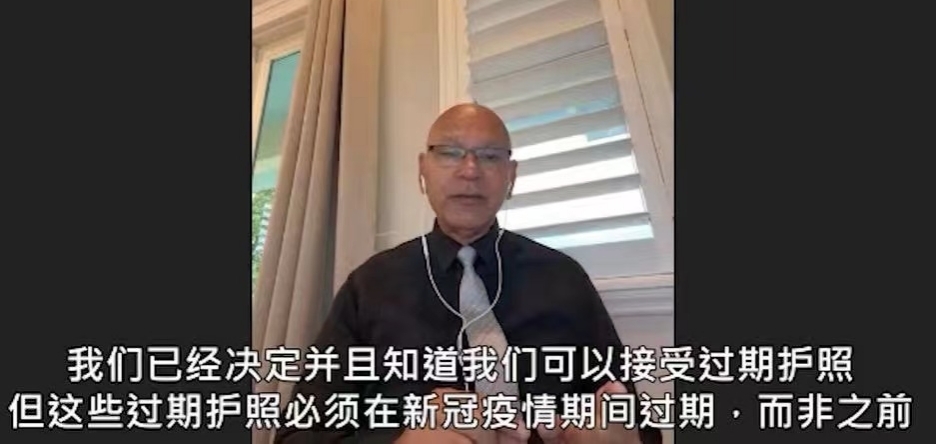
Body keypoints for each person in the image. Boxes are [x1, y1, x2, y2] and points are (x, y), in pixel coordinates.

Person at [275, 104, 662, 444]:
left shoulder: (564, 278)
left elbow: (636, 422)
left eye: (490, 156)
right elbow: (297, 435)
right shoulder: (369, 286)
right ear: (423, 169)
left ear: (511, 175)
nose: (470, 170)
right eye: (449, 153)